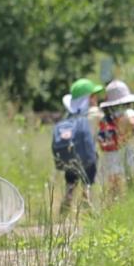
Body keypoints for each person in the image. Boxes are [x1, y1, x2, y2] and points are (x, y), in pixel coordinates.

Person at [53, 79, 102, 212]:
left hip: (71, 154)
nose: (96, 98)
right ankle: (87, 204)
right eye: (94, 95)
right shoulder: (94, 113)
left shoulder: (70, 115)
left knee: (70, 184)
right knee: (88, 183)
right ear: (89, 98)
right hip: (88, 155)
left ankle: (66, 205)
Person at [95, 79, 134, 192]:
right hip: (130, 153)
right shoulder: (128, 112)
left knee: (115, 188)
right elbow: (131, 121)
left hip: (112, 156)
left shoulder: (107, 117)